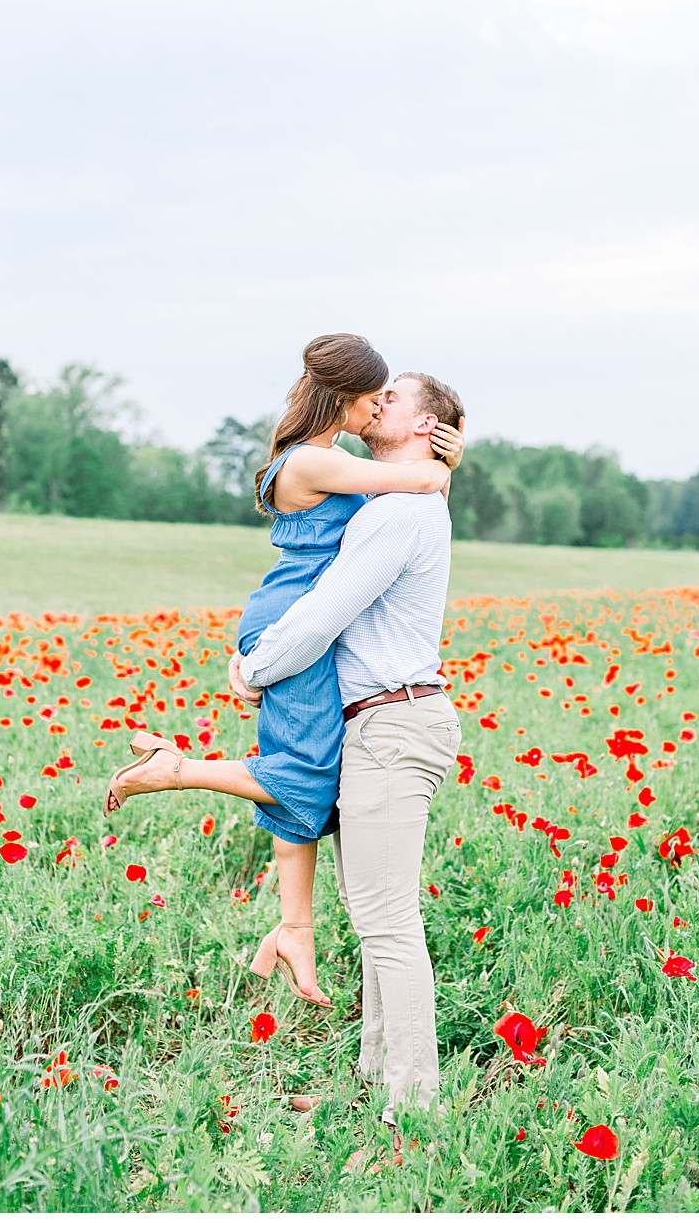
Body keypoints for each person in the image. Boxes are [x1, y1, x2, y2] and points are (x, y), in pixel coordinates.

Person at [104, 335, 462, 1008]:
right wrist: (443, 465)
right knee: (304, 771)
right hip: (292, 622)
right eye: (374, 397)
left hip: (292, 621)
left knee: (304, 771)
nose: (377, 408)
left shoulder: (328, 460)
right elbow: (418, 481)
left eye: (388, 399)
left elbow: (402, 492)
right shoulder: (315, 461)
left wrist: (436, 462)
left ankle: (296, 928)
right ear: (345, 397)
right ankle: (175, 769)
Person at [229, 371, 464, 1131]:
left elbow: (321, 615)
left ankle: (412, 1109)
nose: (376, 401)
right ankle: (373, 1084)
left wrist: (252, 670)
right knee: (374, 919)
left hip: (393, 724)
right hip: (376, 723)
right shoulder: (391, 498)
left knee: (387, 923)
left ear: (426, 424)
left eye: (393, 397)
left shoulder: (398, 513)